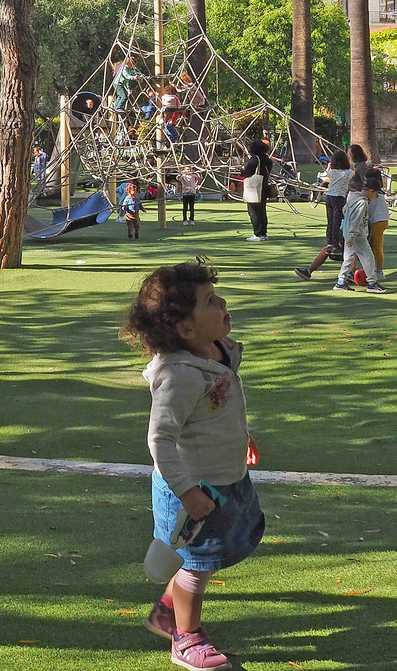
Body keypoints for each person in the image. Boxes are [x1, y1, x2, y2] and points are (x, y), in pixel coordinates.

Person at [122, 262, 263, 671]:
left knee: (209, 555)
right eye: (209, 302)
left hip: (225, 479)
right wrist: (187, 491)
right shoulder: (180, 376)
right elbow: (160, 440)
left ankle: (169, 608)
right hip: (191, 492)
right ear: (185, 329)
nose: (222, 304)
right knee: (195, 566)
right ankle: (186, 638)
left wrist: (240, 435)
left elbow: (216, 409)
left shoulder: (218, 351)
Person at [293, 152, 352, 281]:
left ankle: (330, 243)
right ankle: (335, 245)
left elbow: (326, 176)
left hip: (329, 197)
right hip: (339, 198)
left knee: (330, 222)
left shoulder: (331, 172)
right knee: (337, 222)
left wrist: (329, 166)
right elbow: (352, 175)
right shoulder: (348, 173)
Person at [333, 172, 386, 293]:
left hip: (349, 232)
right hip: (357, 235)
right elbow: (356, 220)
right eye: (376, 193)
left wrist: (349, 233)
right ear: (371, 190)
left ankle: (341, 281)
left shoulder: (352, 198)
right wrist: (352, 235)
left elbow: (344, 211)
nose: (377, 196)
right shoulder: (362, 203)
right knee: (368, 257)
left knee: (349, 258)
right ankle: (372, 283)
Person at [241, 140, 270, 242]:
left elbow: (247, 172)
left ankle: (257, 233)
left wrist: (242, 170)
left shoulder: (255, 159)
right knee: (262, 211)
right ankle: (263, 233)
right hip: (264, 186)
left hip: (255, 187)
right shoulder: (267, 159)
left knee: (254, 211)